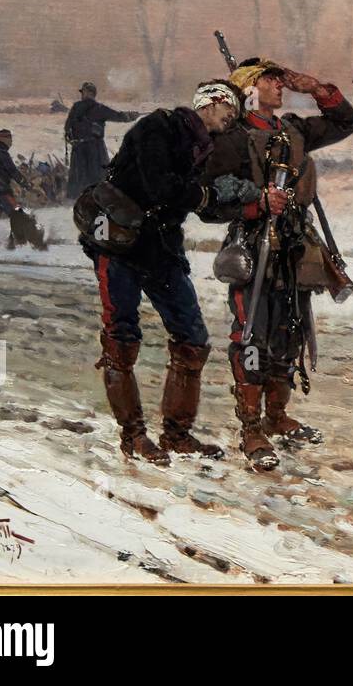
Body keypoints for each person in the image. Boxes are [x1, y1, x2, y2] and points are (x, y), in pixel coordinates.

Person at [81, 81, 259, 464]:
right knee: (121, 341)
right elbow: (161, 187)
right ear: (209, 103)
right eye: (230, 108)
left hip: (161, 250)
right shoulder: (156, 128)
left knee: (192, 340)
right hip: (120, 245)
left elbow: (196, 201)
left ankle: (177, 435)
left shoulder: (206, 147)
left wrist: (233, 195)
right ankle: (134, 437)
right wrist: (210, 194)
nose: (234, 117)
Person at [199, 59, 353, 472]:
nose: (278, 85)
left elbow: (345, 122)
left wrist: (316, 86)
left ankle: (277, 415)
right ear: (249, 89)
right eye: (269, 79)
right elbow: (211, 194)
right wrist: (256, 200)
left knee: (291, 331)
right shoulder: (232, 137)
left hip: (295, 246)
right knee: (252, 332)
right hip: (253, 245)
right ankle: (251, 428)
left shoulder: (294, 129)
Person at [65, 81, 138, 198]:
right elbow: (118, 116)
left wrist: (71, 138)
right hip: (95, 148)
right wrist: (131, 116)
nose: (82, 94)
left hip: (79, 148)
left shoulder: (76, 107)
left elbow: (67, 127)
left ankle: (76, 200)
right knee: (97, 176)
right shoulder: (99, 108)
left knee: (80, 177)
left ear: (89, 93)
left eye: (83, 92)